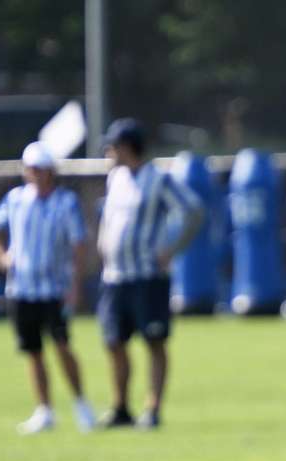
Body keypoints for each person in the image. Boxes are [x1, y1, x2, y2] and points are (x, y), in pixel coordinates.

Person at [95, 118, 203, 429]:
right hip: (115, 276)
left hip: (147, 276)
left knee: (153, 341)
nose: (108, 151)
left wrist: (171, 248)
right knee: (113, 341)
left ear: (127, 147)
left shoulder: (158, 179)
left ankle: (152, 407)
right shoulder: (115, 178)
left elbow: (193, 210)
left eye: (113, 145)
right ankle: (120, 407)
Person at [0, 142, 96, 434]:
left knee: (61, 345)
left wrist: (75, 284)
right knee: (33, 350)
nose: (36, 174)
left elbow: (79, 244)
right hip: (21, 288)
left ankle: (81, 403)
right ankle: (44, 409)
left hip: (53, 288)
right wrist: (1, 255)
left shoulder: (65, 202)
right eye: (32, 169)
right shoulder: (16, 199)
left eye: (41, 169)